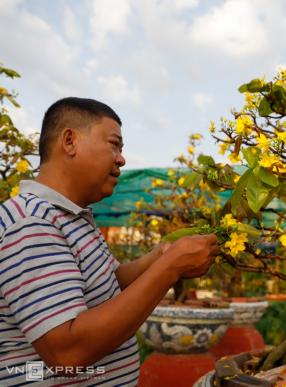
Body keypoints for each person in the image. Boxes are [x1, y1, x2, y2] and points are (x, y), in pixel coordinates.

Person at [0, 97, 219, 385]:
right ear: (69, 141)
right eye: (114, 144)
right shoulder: (31, 222)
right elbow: (67, 354)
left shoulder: (73, 217)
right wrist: (170, 267)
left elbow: (109, 284)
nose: (121, 159)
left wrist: (158, 256)